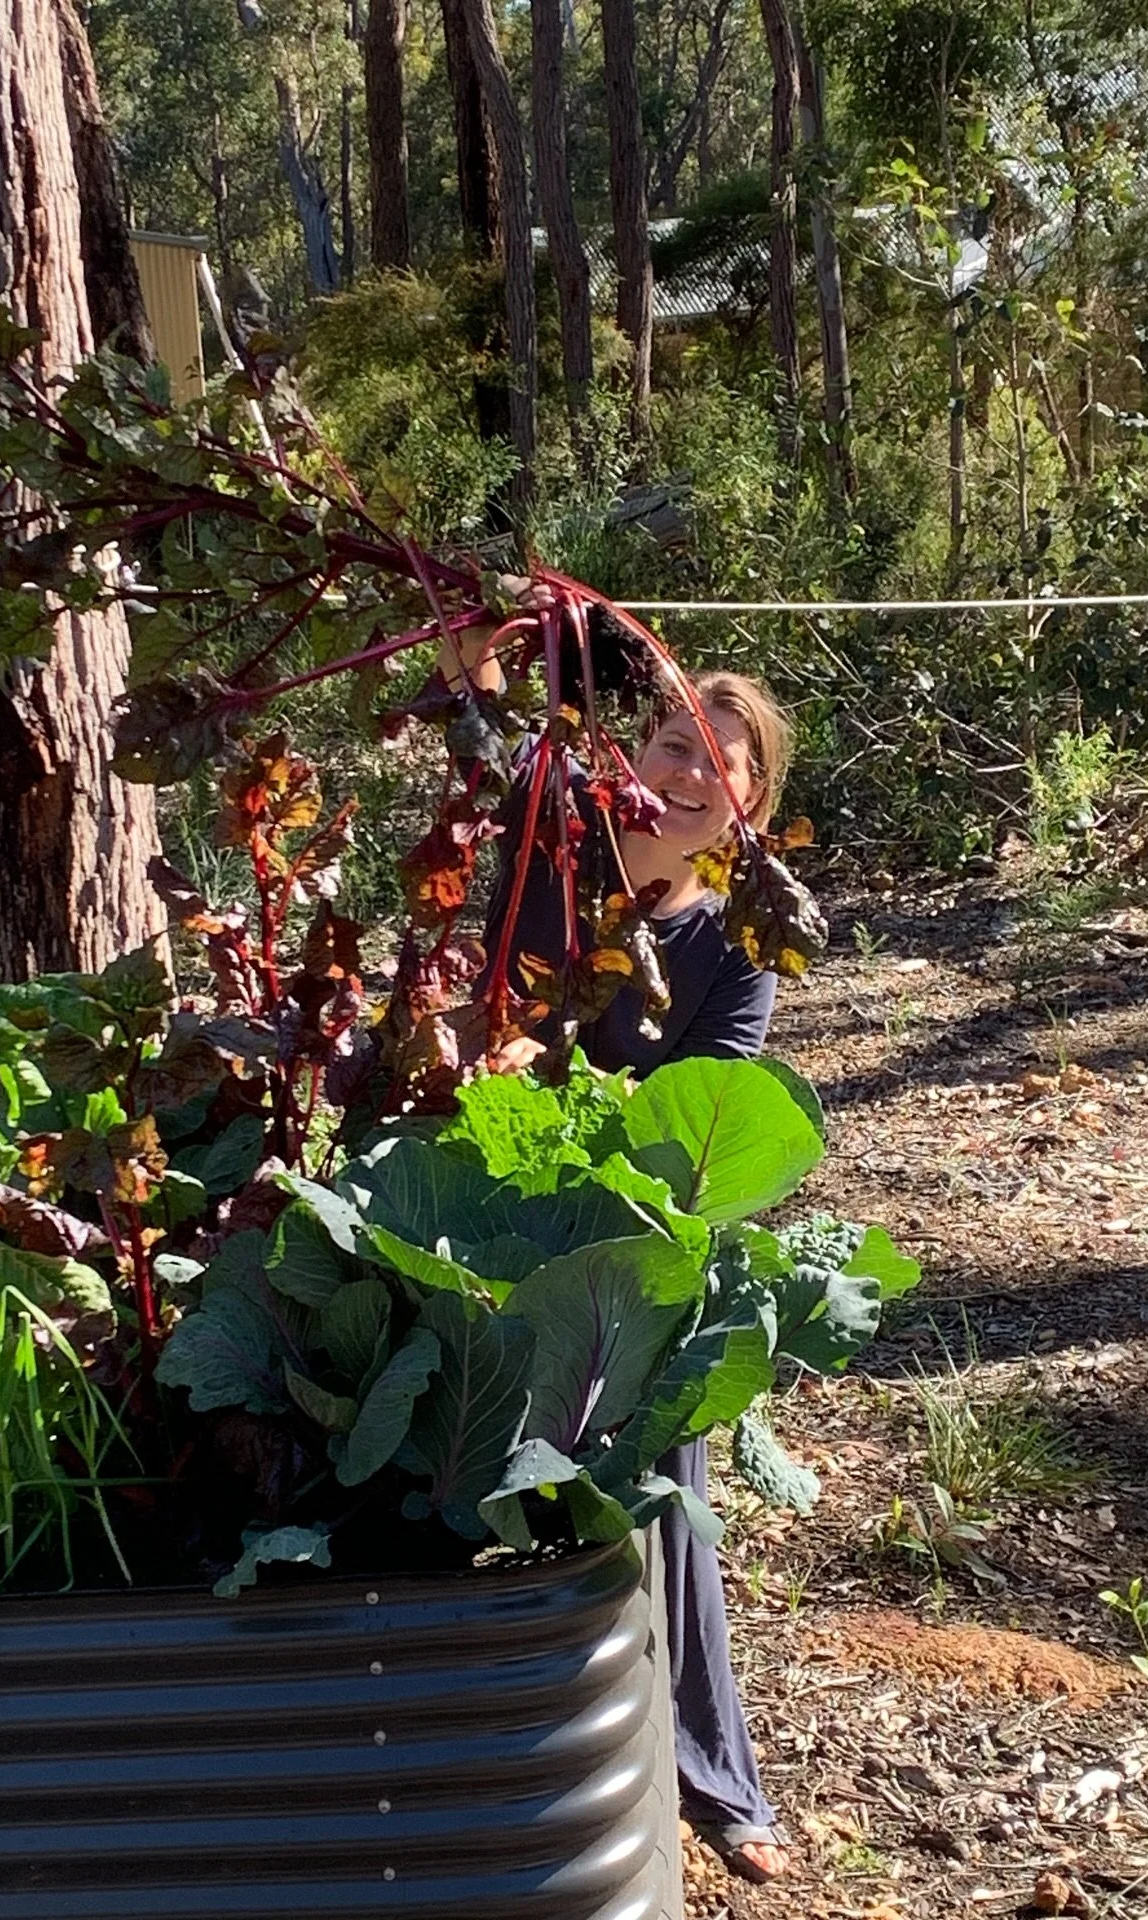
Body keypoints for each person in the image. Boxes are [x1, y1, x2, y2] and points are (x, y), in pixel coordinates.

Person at [441, 593, 796, 1886]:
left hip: (637, 1237)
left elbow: (703, 1116)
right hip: (493, 1212)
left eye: (721, 761)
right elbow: (476, 715)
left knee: (667, 1481)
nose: (689, 773)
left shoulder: (740, 945)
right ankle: (490, 1751)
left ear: (749, 803)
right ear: (631, 764)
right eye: (671, 745)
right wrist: (490, 640)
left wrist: (592, 1138)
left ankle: (715, 1779)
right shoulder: (554, 862)